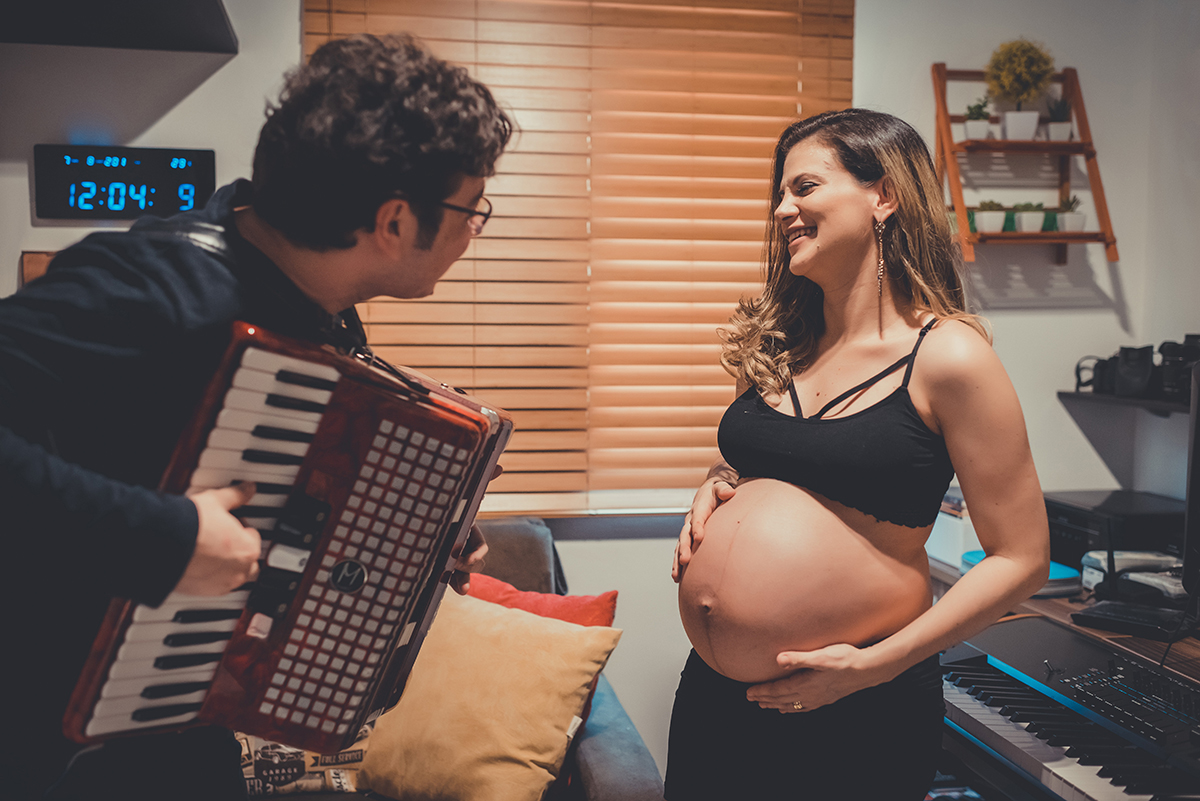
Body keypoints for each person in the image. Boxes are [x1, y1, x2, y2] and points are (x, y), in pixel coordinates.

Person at [0, 33, 512, 801]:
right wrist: (167, 536)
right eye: (473, 207)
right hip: (41, 737)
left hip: (169, 723)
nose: (477, 227)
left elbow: (281, 509)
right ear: (396, 222)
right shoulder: (151, 288)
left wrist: (414, 541)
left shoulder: (315, 312)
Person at [668, 109, 1050, 800]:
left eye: (805, 187)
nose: (783, 209)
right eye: (779, 195)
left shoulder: (949, 357)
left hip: (858, 704)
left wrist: (874, 665)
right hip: (717, 700)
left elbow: (1020, 557)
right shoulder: (776, 344)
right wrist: (719, 484)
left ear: (884, 196)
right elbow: (779, 476)